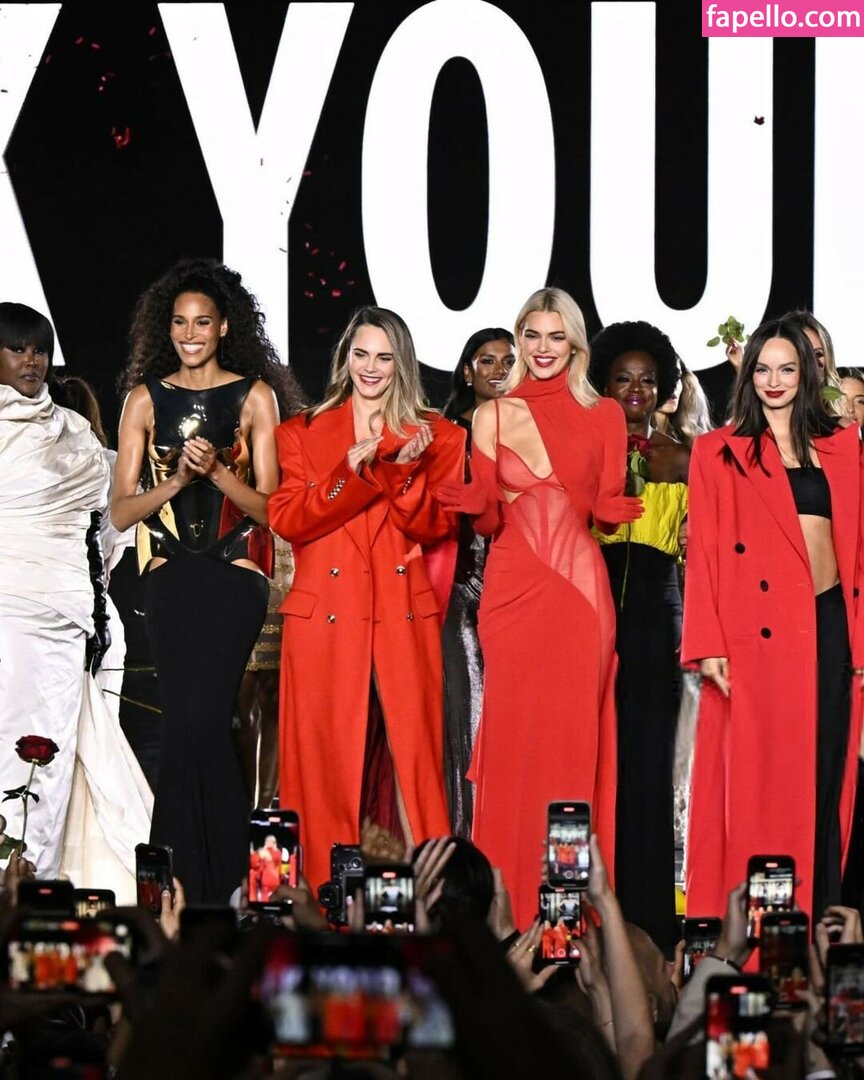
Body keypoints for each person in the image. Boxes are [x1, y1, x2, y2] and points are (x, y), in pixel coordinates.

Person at [439, 287, 641, 929]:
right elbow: (490, 520)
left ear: (575, 344)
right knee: (510, 747)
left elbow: (602, 517)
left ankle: (569, 916)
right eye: (533, 335)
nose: (544, 348)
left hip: (579, 600)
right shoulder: (492, 415)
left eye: (557, 336)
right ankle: (509, 913)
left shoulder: (605, 414)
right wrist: (474, 504)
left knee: (572, 749)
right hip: (510, 596)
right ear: (519, 340)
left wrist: (610, 510)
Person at [112, 259, 300, 903]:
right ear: (167, 328)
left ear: (223, 327)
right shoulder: (144, 399)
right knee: (182, 727)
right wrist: (177, 480)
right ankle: (183, 887)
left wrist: (218, 473)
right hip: (169, 580)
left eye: (202, 322)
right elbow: (121, 511)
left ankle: (220, 888)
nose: (189, 334)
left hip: (234, 577)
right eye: (179, 323)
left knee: (211, 720)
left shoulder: (255, 397)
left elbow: (273, 509)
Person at [268, 305, 465, 894]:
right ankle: (321, 899)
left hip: (403, 611)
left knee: (418, 766)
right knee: (321, 766)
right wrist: (346, 476)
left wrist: (402, 473)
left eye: (384, 356)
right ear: (345, 358)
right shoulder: (301, 432)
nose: (371, 367)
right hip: (324, 615)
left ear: (402, 363)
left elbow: (437, 527)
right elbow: (287, 520)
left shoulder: (440, 436)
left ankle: (434, 898)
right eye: (361, 354)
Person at [682, 318, 864, 925]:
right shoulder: (718, 450)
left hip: (829, 622)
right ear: (747, 374)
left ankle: (816, 921)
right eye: (762, 369)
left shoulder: (843, 446)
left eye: (787, 368)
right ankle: (758, 927)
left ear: (808, 372)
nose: (774, 380)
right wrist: (708, 641)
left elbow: (858, 551)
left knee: (825, 772)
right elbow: (704, 552)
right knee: (762, 784)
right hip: (755, 636)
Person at [588, 320, 690, 955]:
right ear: (603, 385)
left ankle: (652, 919)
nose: (635, 390)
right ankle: (597, 909)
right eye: (623, 378)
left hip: (657, 623)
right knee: (599, 760)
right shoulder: (584, 452)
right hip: (593, 617)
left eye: (647, 380)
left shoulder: (683, 456)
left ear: (663, 388)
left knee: (650, 764)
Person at [0, 303, 109, 876]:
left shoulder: (75, 431)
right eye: (17, 348)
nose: (31, 360)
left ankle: (30, 883)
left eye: (40, 349)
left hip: (64, 618)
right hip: (6, 608)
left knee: (48, 753)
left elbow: (104, 525)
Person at [441, 328, 515, 836]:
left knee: (517, 720)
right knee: (469, 719)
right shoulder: (449, 435)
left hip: (519, 590)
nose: (498, 371)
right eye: (486, 361)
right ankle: (469, 847)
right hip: (461, 589)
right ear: (468, 371)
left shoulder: (530, 431)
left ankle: (513, 839)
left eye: (508, 361)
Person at [652, 356, 713, 447]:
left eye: (677, 377)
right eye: (662, 378)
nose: (673, 387)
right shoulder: (633, 441)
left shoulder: (696, 441)